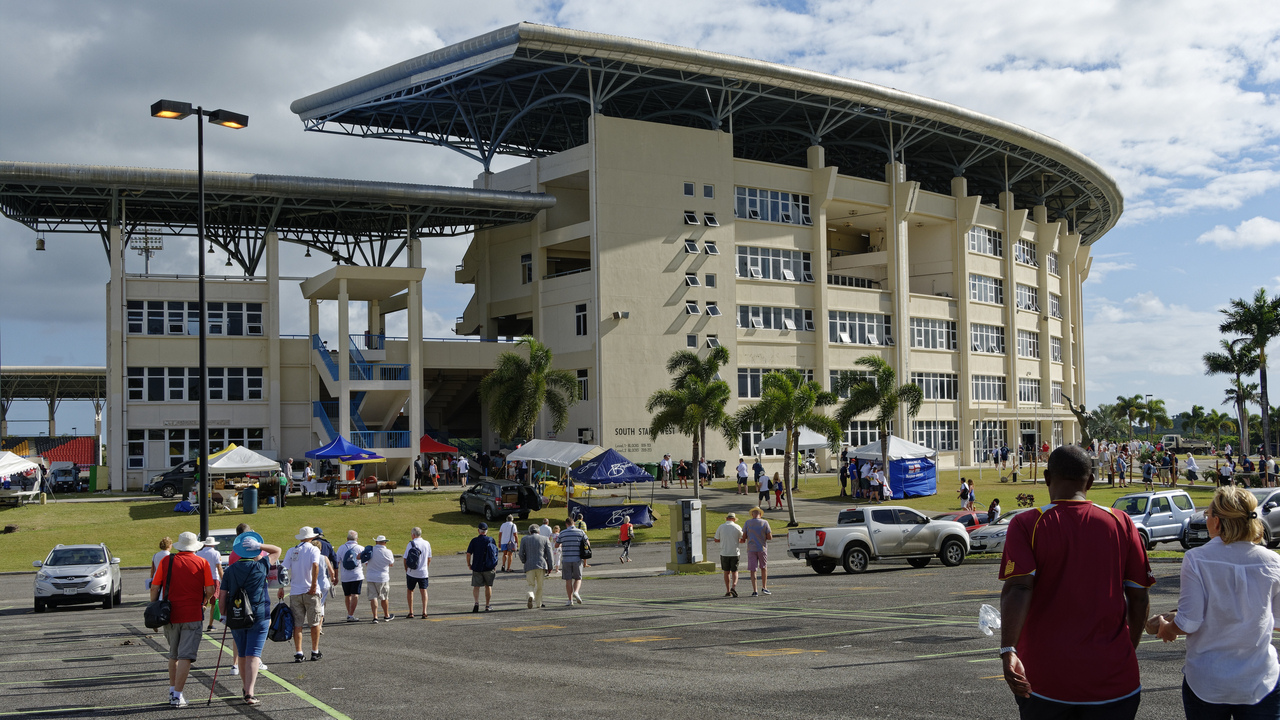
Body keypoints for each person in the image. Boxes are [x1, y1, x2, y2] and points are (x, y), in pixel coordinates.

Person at [998, 445, 1153, 719]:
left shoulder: (1027, 524)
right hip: (1115, 681)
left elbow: (1019, 587)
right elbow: (1139, 596)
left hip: (1046, 680)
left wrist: (1008, 649)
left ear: (1047, 478)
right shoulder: (1122, 522)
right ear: (1091, 482)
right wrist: (1124, 649)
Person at [1152, 486, 1280, 716]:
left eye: (1208, 514)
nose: (1206, 518)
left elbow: (1189, 621)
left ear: (1218, 522)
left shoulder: (1196, 559)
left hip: (1208, 680)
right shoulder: (1273, 561)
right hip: (1259, 679)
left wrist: (1167, 628)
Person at [150, 531, 214, 708]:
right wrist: (205, 600)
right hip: (192, 614)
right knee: (186, 655)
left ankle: (173, 690)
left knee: (174, 654)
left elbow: (155, 587)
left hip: (170, 614)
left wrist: (153, 608)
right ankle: (178, 695)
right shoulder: (202, 562)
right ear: (195, 547)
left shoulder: (167, 561)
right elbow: (210, 589)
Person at [221, 532, 273, 705]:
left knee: (242, 654)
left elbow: (223, 595)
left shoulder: (230, 570)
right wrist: (260, 546)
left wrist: (223, 614)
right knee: (253, 654)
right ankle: (249, 693)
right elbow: (277, 550)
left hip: (236, 614)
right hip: (259, 614)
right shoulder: (261, 565)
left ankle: (245, 688)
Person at [278, 527, 324, 662]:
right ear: (311, 537)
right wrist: (314, 584)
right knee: (314, 623)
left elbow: (283, 569)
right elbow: (315, 565)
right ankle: (314, 651)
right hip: (310, 591)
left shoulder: (292, 550)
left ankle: (299, 652)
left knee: (297, 624)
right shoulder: (313, 549)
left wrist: (281, 587)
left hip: (295, 591)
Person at [519, 523, 553, 609]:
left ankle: (531, 595)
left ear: (530, 531)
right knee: (540, 585)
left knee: (530, 584)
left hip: (529, 564)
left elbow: (521, 553)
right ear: (539, 531)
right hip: (541, 565)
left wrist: (524, 561)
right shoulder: (544, 539)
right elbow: (550, 554)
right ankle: (539, 603)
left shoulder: (524, 539)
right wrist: (550, 566)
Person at [466, 523, 499, 612]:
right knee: (488, 586)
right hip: (488, 567)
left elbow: (468, 554)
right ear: (486, 531)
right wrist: (494, 565)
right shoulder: (491, 540)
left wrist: (469, 564)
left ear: (478, 530)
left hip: (477, 566)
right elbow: (495, 554)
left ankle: (476, 603)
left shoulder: (474, 541)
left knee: (476, 586)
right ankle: (487, 605)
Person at [556, 517, 589, 606]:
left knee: (568, 580)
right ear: (573, 523)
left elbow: (556, 545)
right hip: (577, 559)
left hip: (566, 559)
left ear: (566, 524)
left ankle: (570, 600)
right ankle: (576, 592)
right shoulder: (580, 532)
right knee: (578, 578)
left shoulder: (562, 533)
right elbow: (587, 543)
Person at [363, 535, 395, 622]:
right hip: (382, 577)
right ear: (384, 543)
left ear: (376, 542)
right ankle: (386, 615)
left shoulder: (370, 550)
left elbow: (365, 562)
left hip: (371, 576)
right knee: (384, 597)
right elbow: (391, 563)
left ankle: (375, 617)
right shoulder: (388, 552)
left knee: (373, 597)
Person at [742, 507, 772, 596]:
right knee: (763, 567)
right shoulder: (765, 522)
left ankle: (755, 590)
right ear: (760, 514)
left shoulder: (748, 523)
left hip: (751, 548)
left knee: (753, 569)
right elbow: (769, 537)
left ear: (752, 514)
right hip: (762, 548)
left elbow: (744, 536)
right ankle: (764, 587)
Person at [403, 527, 432, 619]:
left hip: (412, 572)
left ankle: (411, 612)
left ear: (413, 535)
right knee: (423, 590)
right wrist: (426, 567)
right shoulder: (427, 543)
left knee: (410, 591)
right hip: (423, 572)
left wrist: (406, 569)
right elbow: (429, 558)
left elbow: (405, 558)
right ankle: (424, 611)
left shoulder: (411, 544)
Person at [713, 512, 743, 598]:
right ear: (734, 519)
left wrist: (723, 540)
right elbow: (742, 538)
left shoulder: (721, 527)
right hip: (734, 552)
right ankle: (733, 586)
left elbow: (716, 539)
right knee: (735, 571)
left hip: (724, 552)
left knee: (726, 572)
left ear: (726, 519)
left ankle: (727, 590)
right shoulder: (737, 527)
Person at [197, 536, 223, 632]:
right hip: (214, 578)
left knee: (202, 601)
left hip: (202, 579)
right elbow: (219, 568)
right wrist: (223, 579)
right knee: (213, 602)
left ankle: (199, 621)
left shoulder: (198, 553)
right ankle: (210, 624)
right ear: (213, 544)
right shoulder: (216, 553)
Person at [337, 530, 364, 622]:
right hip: (357, 575)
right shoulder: (361, 548)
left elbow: (337, 562)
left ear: (347, 538)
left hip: (345, 576)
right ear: (357, 539)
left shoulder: (341, 548)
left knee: (347, 595)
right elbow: (367, 561)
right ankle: (351, 614)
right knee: (355, 595)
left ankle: (350, 614)